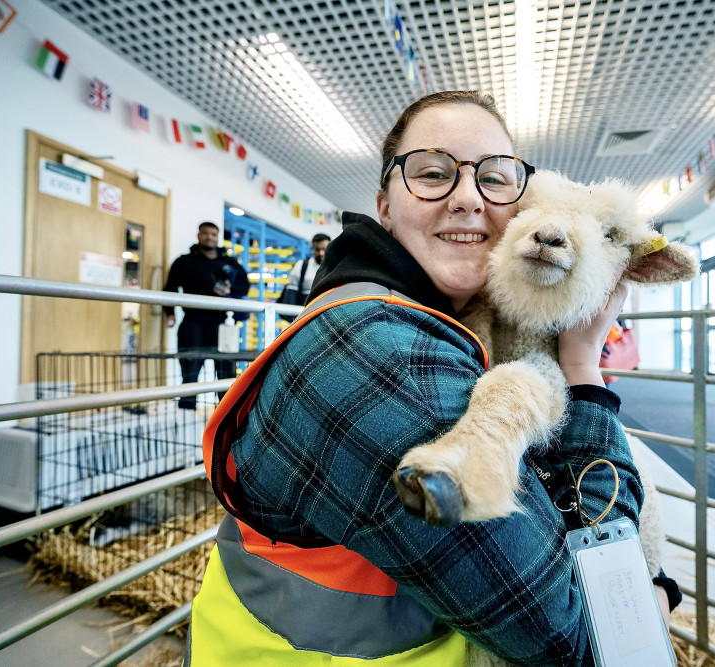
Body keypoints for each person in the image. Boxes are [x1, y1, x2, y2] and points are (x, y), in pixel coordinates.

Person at [186, 91, 679, 665]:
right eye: (431, 173)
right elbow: (586, 640)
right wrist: (584, 373)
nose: (468, 198)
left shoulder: (447, 325)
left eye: (494, 179)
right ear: (385, 205)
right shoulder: (376, 356)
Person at [163, 221, 249, 409]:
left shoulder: (229, 262)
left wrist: (228, 289)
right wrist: (169, 313)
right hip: (193, 323)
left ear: (218, 237)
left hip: (223, 323)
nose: (209, 237)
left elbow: (245, 286)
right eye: (205, 233)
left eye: (213, 234)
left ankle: (226, 414)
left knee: (226, 373)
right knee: (189, 371)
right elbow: (169, 288)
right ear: (199, 235)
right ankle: (186, 413)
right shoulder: (184, 262)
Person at [280, 233, 330, 306]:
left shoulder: (335, 268)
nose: (321, 253)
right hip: (304, 314)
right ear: (313, 249)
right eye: (317, 249)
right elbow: (291, 295)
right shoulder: (301, 266)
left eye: (324, 249)